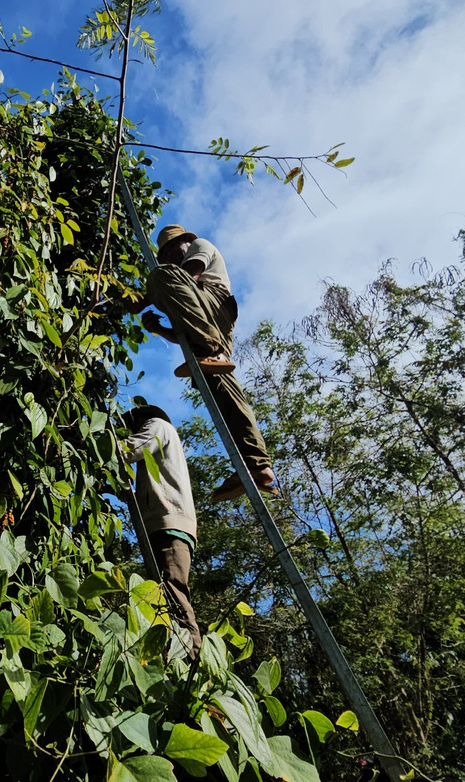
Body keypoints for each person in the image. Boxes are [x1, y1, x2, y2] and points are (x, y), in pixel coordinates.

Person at [127, 224, 276, 502]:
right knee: (224, 394)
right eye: (167, 255)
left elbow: (191, 274)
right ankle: (257, 465)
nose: (172, 258)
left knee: (161, 277)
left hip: (215, 308)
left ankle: (211, 349)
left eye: (174, 251)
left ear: (185, 243)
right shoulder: (185, 291)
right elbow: (183, 333)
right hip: (205, 328)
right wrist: (159, 329)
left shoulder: (200, 247)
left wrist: (143, 297)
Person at [120, 404, 202, 655]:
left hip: (170, 521)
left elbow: (129, 449)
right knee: (165, 595)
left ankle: (191, 657)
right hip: (165, 521)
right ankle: (175, 655)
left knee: (173, 589)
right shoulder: (162, 448)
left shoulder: (158, 426)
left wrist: (95, 443)